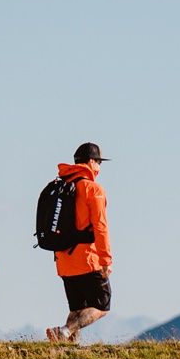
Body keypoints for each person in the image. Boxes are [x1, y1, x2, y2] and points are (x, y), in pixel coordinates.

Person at [47, 142, 112, 344]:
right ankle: (64, 331)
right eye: (99, 162)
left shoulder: (63, 186)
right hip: (87, 259)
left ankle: (67, 352)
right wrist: (105, 259)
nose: (100, 168)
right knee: (102, 306)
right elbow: (100, 227)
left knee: (76, 309)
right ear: (91, 162)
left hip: (64, 259)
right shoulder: (93, 189)